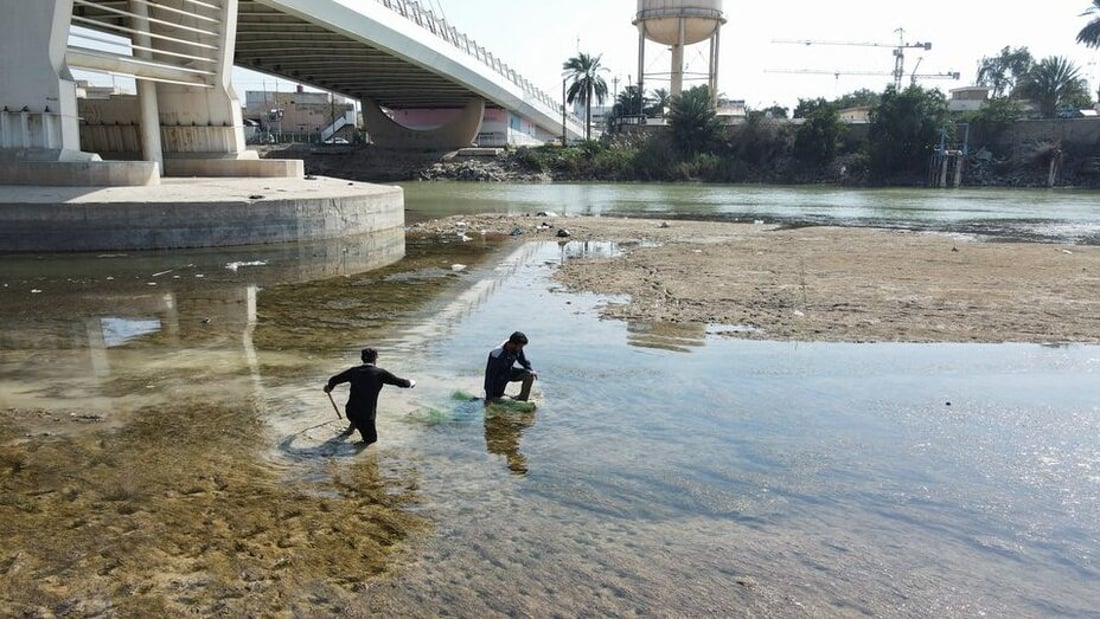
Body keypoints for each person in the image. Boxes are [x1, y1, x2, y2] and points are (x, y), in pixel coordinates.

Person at [324, 347, 415, 446]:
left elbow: (333, 379)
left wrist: (329, 388)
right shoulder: (380, 373)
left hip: (350, 411)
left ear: (362, 358)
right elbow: (401, 383)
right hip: (366, 416)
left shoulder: (353, 371)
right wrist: (412, 382)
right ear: (375, 358)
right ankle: (355, 448)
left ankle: (352, 427)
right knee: (371, 441)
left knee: (356, 415)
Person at [483, 331, 537, 403]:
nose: (521, 349)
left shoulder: (517, 347)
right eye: (520, 347)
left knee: (529, 375)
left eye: (522, 347)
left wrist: (530, 369)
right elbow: (490, 377)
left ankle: (522, 400)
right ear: (512, 344)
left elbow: (523, 361)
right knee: (495, 397)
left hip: (510, 371)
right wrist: (488, 398)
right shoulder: (496, 354)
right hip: (499, 376)